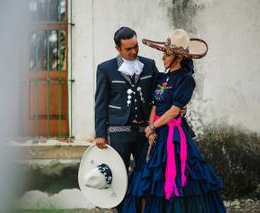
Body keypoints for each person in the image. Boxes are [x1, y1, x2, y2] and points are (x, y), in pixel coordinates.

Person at [122, 29, 226, 212]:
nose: (163, 58)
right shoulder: (162, 77)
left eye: (167, 54)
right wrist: (150, 129)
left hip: (173, 136)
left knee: (176, 178)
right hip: (155, 134)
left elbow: (174, 110)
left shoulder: (186, 80)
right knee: (148, 178)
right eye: (164, 53)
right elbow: (155, 105)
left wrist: (154, 125)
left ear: (178, 57)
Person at [93, 26, 159, 212]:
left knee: (145, 173)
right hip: (117, 131)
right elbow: (100, 103)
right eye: (128, 48)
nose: (134, 51)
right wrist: (100, 133)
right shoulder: (105, 68)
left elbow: (161, 92)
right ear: (118, 49)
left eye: (136, 46)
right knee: (119, 176)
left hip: (144, 132)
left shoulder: (150, 65)